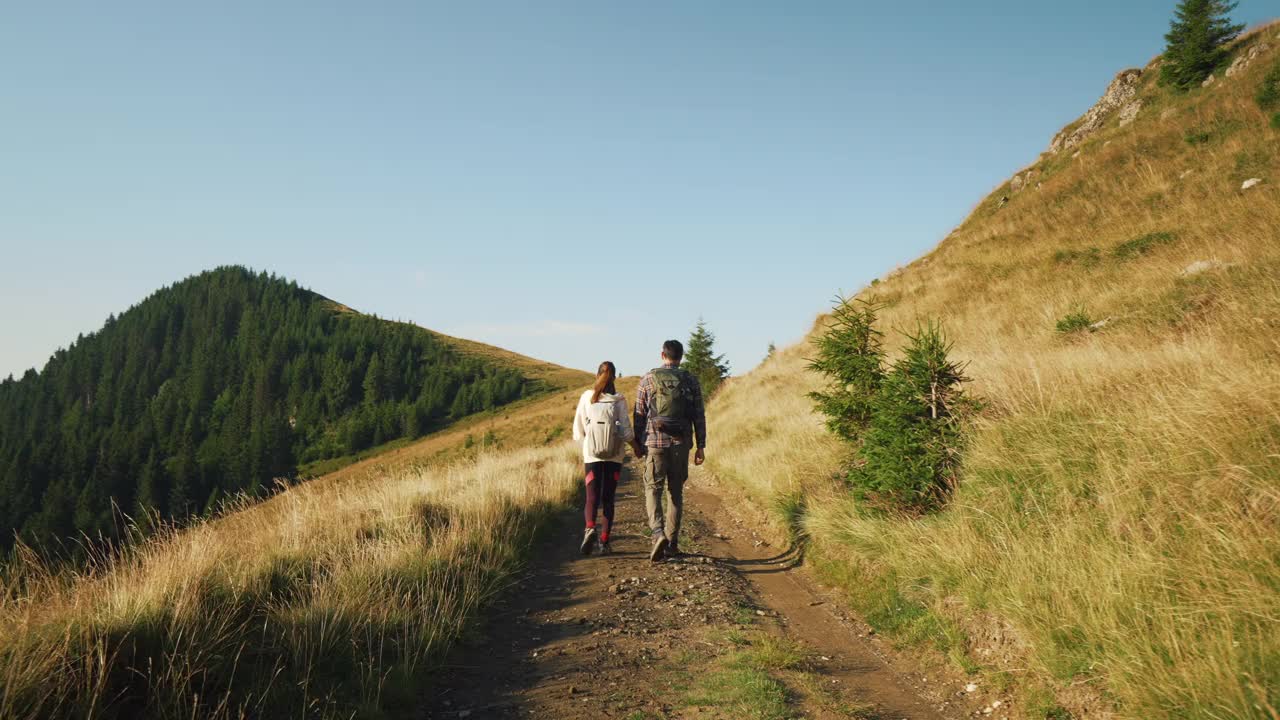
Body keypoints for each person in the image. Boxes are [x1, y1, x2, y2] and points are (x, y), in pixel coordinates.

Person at [632, 340, 706, 562]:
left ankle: (657, 534)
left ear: (662, 354)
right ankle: (672, 543)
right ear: (681, 357)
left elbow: (639, 414)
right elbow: (699, 415)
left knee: (652, 488)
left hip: (655, 442)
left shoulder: (648, 379)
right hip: (680, 443)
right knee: (675, 492)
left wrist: (637, 443)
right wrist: (701, 445)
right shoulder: (690, 380)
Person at [572, 361, 634, 555]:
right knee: (608, 499)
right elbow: (625, 431)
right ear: (614, 377)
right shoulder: (619, 400)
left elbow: (578, 430)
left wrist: (588, 447)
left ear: (596, 375)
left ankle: (590, 528)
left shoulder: (586, 397)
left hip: (592, 456)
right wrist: (637, 448)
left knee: (592, 497)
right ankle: (605, 542)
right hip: (614, 457)